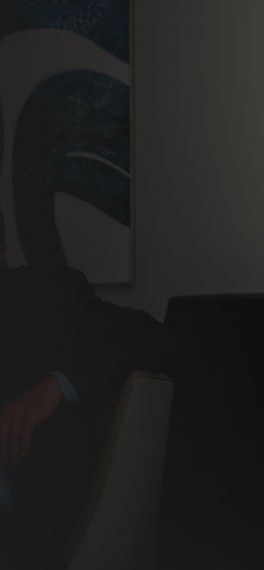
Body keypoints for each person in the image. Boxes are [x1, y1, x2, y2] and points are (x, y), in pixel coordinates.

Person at [0, 237, 178, 568]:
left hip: (27, 524)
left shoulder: (44, 294)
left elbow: (154, 337)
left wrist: (58, 385)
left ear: (2, 250)